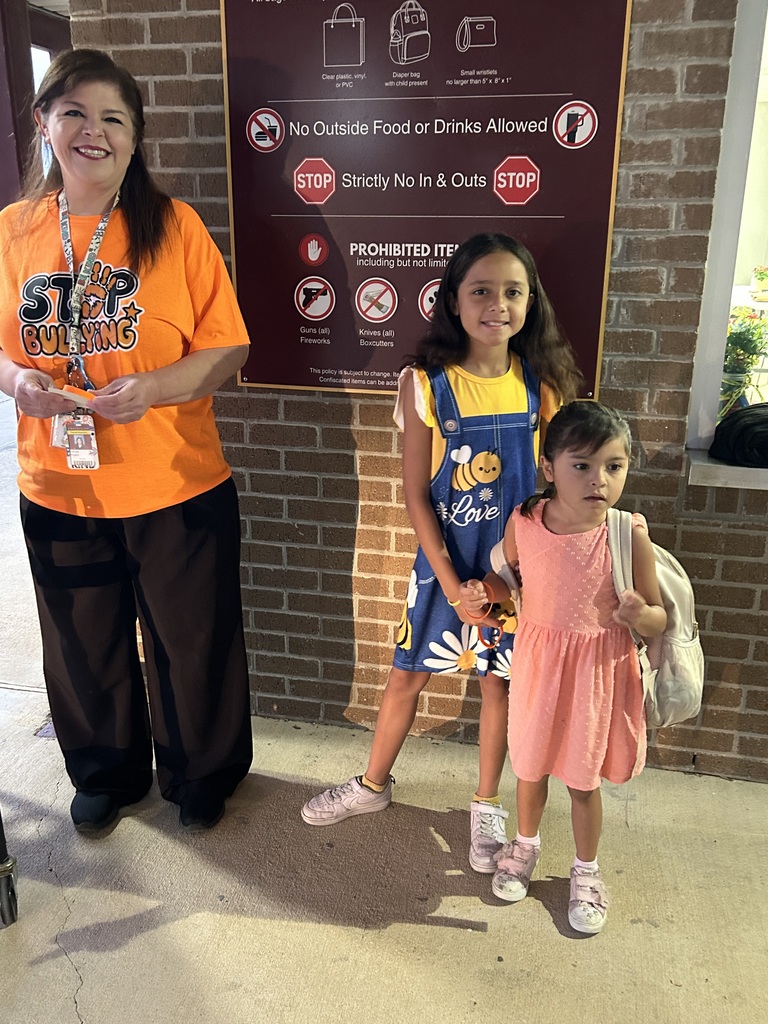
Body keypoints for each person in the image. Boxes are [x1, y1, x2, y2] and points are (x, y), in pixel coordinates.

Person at [0, 49, 253, 834]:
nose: (93, 132)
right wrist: (19, 385)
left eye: (114, 118)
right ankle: (106, 772)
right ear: (44, 122)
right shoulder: (12, 231)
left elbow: (229, 348)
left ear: (135, 139)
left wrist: (154, 387)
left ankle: (201, 774)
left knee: (192, 640)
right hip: (59, 483)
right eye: (74, 112)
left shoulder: (171, 226)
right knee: (82, 640)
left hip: (175, 482)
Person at [301, 233, 582, 874]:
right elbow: (416, 498)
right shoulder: (424, 384)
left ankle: (486, 807)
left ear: (531, 301)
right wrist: (456, 584)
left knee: (498, 687)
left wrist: (504, 576)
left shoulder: (544, 385)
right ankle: (372, 785)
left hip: (514, 572)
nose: (497, 304)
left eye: (513, 291)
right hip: (443, 568)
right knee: (406, 675)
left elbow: (551, 494)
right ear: (453, 301)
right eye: (480, 289)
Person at [460, 401, 666, 933]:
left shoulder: (625, 533)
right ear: (549, 468)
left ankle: (586, 870)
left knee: (581, 777)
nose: (600, 479)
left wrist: (640, 614)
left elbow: (657, 617)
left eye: (614, 467)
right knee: (529, 764)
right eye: (583, 465)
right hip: (538, 663)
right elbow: (505, 578)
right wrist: (484, 592)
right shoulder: (526, 522)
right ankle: (524, 846)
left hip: (597, 674)